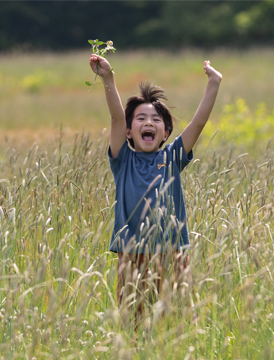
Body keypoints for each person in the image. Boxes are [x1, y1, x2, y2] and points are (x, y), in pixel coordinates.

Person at [89, 53, 222, 318]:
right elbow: (116, 117)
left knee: (176, 319)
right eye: (140, 119)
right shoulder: (122, 159)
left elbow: (199, 122)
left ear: (166, 133)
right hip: (131, 253)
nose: (148, 123)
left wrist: (214, 83)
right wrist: (108, 78)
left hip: (171, 250)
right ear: (128, 131)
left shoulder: (172, 157)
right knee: (133, 320)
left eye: (156, 120)